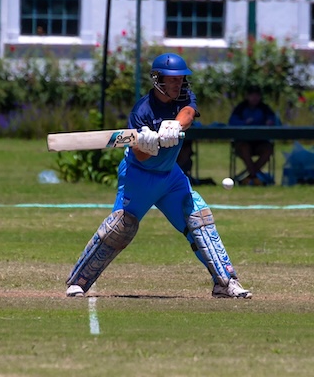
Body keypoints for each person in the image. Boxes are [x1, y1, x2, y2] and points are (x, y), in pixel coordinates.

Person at [66, 53, 252, 299]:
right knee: (120, 226)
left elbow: (188, 112)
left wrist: (173, 126)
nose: (178, 84)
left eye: (181, 79)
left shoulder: (184, 96)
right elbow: (140, 156)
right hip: (139, 176)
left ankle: (225, 282)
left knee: (199, 217)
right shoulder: (142, 111)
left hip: (171, 177)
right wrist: (148, 144)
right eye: (172, 80)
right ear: (158, 80)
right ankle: (79, 281)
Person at [228, 86, 277, 185]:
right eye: (252, 95)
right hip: (243, 142)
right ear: (247, 96)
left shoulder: (265, 108)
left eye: (257, 95)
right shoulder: (240, 108)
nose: (255, 98)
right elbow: (232, 122)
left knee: (268, 149)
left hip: (260, 142)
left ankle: (250, 177)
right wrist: (244, 123)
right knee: (244, 147)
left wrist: (269, 122)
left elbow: (273, 121)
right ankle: (254, 177)